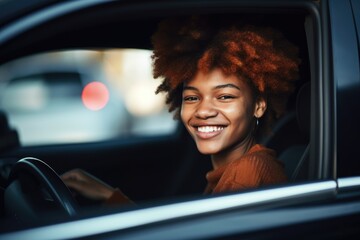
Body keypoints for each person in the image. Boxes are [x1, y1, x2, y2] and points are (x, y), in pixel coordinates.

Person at [61, 15, 301, 205]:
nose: (203, 110)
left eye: (225, 96)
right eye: (192, 97)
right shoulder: (227, 172)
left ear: (258, 106)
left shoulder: (247, 172)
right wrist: (108, 195)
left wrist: (110, 198)